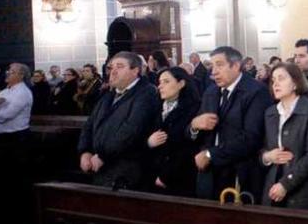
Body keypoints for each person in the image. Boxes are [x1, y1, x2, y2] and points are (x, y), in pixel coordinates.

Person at [190, 46, 274, 201]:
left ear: (235, 66)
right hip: (208, 171)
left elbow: (251, 138)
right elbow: (193, 131)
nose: (213, 71)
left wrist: (211, 154)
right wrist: (194, 125)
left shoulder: (256, 91)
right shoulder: (211, 92)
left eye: (219, 65)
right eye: (212, 66)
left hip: (239, 172)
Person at [77, 52, 160, 188]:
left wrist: (103, 156)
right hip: (100, 166)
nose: (113, 72)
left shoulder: (147, 93)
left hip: (127, 172)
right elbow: (89, 125)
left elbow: (131, 130)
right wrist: (85, 152)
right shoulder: (108, 95)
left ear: (135, 71)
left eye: (120, 67)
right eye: (111, 67)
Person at [260, 62, 308, 209]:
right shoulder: (270, 112)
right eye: (273, 80)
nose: (275, 84)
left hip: (302, 190)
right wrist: (267, 156)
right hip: (272, 186)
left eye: (281, 78)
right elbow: (262, 148)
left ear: (295, 83)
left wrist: (286, 183)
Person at [0, 63, 34, 224]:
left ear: (22, 75)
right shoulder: (5, 92)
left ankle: (19, 223)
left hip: (16, 141)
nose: (8, 73)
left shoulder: (22, 93)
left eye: (13, 71)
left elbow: (6, 115)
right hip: (0, 139)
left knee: (15, 180)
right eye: (8, 70)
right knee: (2, 180)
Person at [146, 66, 202, 196]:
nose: (160, 86)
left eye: (166, 82)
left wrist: (166, 176)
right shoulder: (154, 107)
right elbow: (140, 136)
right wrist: (148, 142)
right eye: (159, 82)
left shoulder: (194, 108)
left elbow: (190, 147)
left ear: (181, 84)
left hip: (179, 177)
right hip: (152, 174)